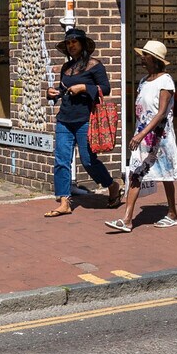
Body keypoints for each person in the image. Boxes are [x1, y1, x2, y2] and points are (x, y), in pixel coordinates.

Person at [107, 39, 177, 234]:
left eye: (145, 56)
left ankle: (172, 214)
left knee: (166, 176)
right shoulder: (143, 81)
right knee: (136, 174)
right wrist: (138, 133)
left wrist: (141, 134)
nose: (142, 59)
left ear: (155, 60)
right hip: (143, 137)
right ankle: (127, 219)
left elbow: (161, 112)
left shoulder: (165, 81)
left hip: (159, 138)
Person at [44, 26, 115, 216]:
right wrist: (52, 94)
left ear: (83, 44)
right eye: (68, 43)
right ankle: (64, 201)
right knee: (61, 160)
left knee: (88, 160)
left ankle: (112, 185)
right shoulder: (67, 68)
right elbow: (62, 90)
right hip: (65, 119)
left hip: (86, 119)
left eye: (74, 41)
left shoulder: (95, 65)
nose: (71, 45)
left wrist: (84, 87)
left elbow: (105, 88)